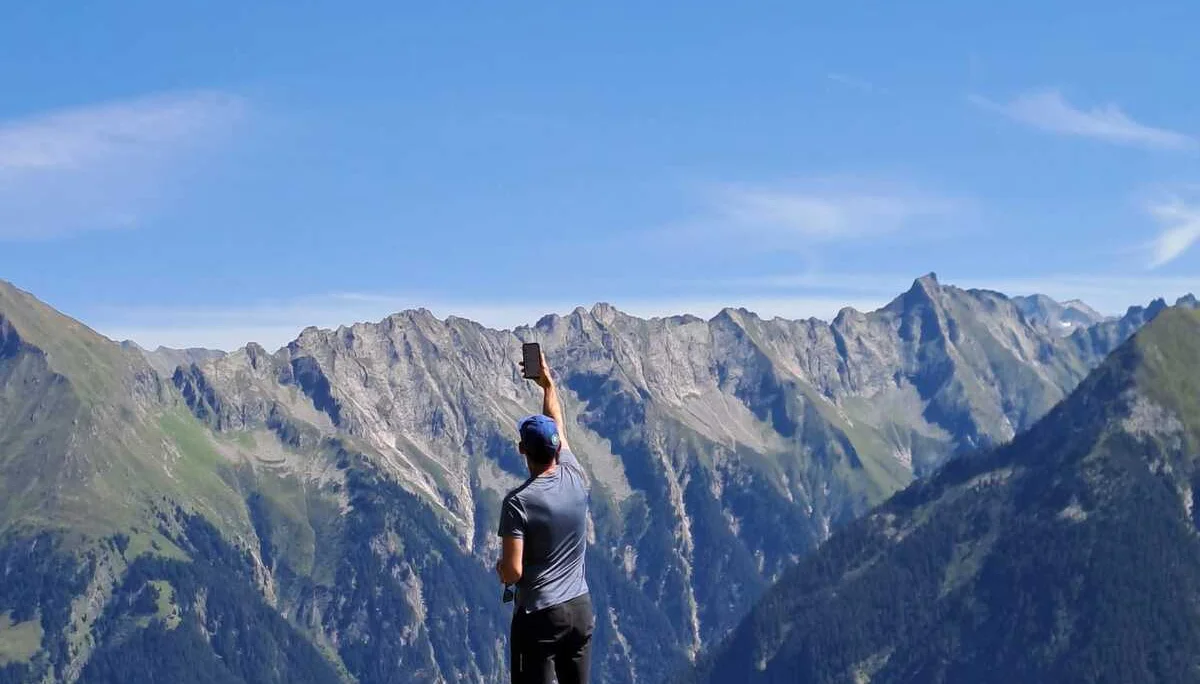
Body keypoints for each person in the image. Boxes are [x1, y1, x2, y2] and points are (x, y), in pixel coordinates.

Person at [496, 347, 594, 684]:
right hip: (580, 609)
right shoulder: (575, 473)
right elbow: (558, 427)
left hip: (540, 616)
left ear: (523, 450)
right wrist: (548, 387)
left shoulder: (518, 503)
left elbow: (513, 571)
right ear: (556, 449)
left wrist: (500, 569)